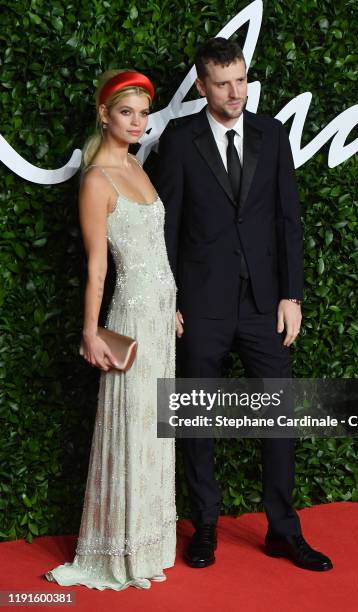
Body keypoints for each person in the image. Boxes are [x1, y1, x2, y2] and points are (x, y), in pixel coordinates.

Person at [155, 38, 333, 572]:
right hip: (201, 306)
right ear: (203, 86)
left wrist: (291, 295)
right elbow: (165, 227)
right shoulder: (180, 141)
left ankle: (283, 530)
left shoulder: (271, 134)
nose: (237, 92)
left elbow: (287, 220)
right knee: (196, 420)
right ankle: (205, 525)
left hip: (263, 305)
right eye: (225, 83)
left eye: (242, 80)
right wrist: (170, 300)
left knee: (278, 418)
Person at [45, 70, 181, 590]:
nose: (138, 122)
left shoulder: (135, 165)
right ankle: (118, 548)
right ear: (104, 115)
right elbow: (98, 268)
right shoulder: (98, 179)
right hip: (129, 318)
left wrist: (170, 304)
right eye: (127, 113)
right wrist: (90, 332)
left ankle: (148, 542)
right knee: (131, 429)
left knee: (154, 430)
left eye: (144, 113)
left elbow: (156, 252)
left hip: (160, 316)